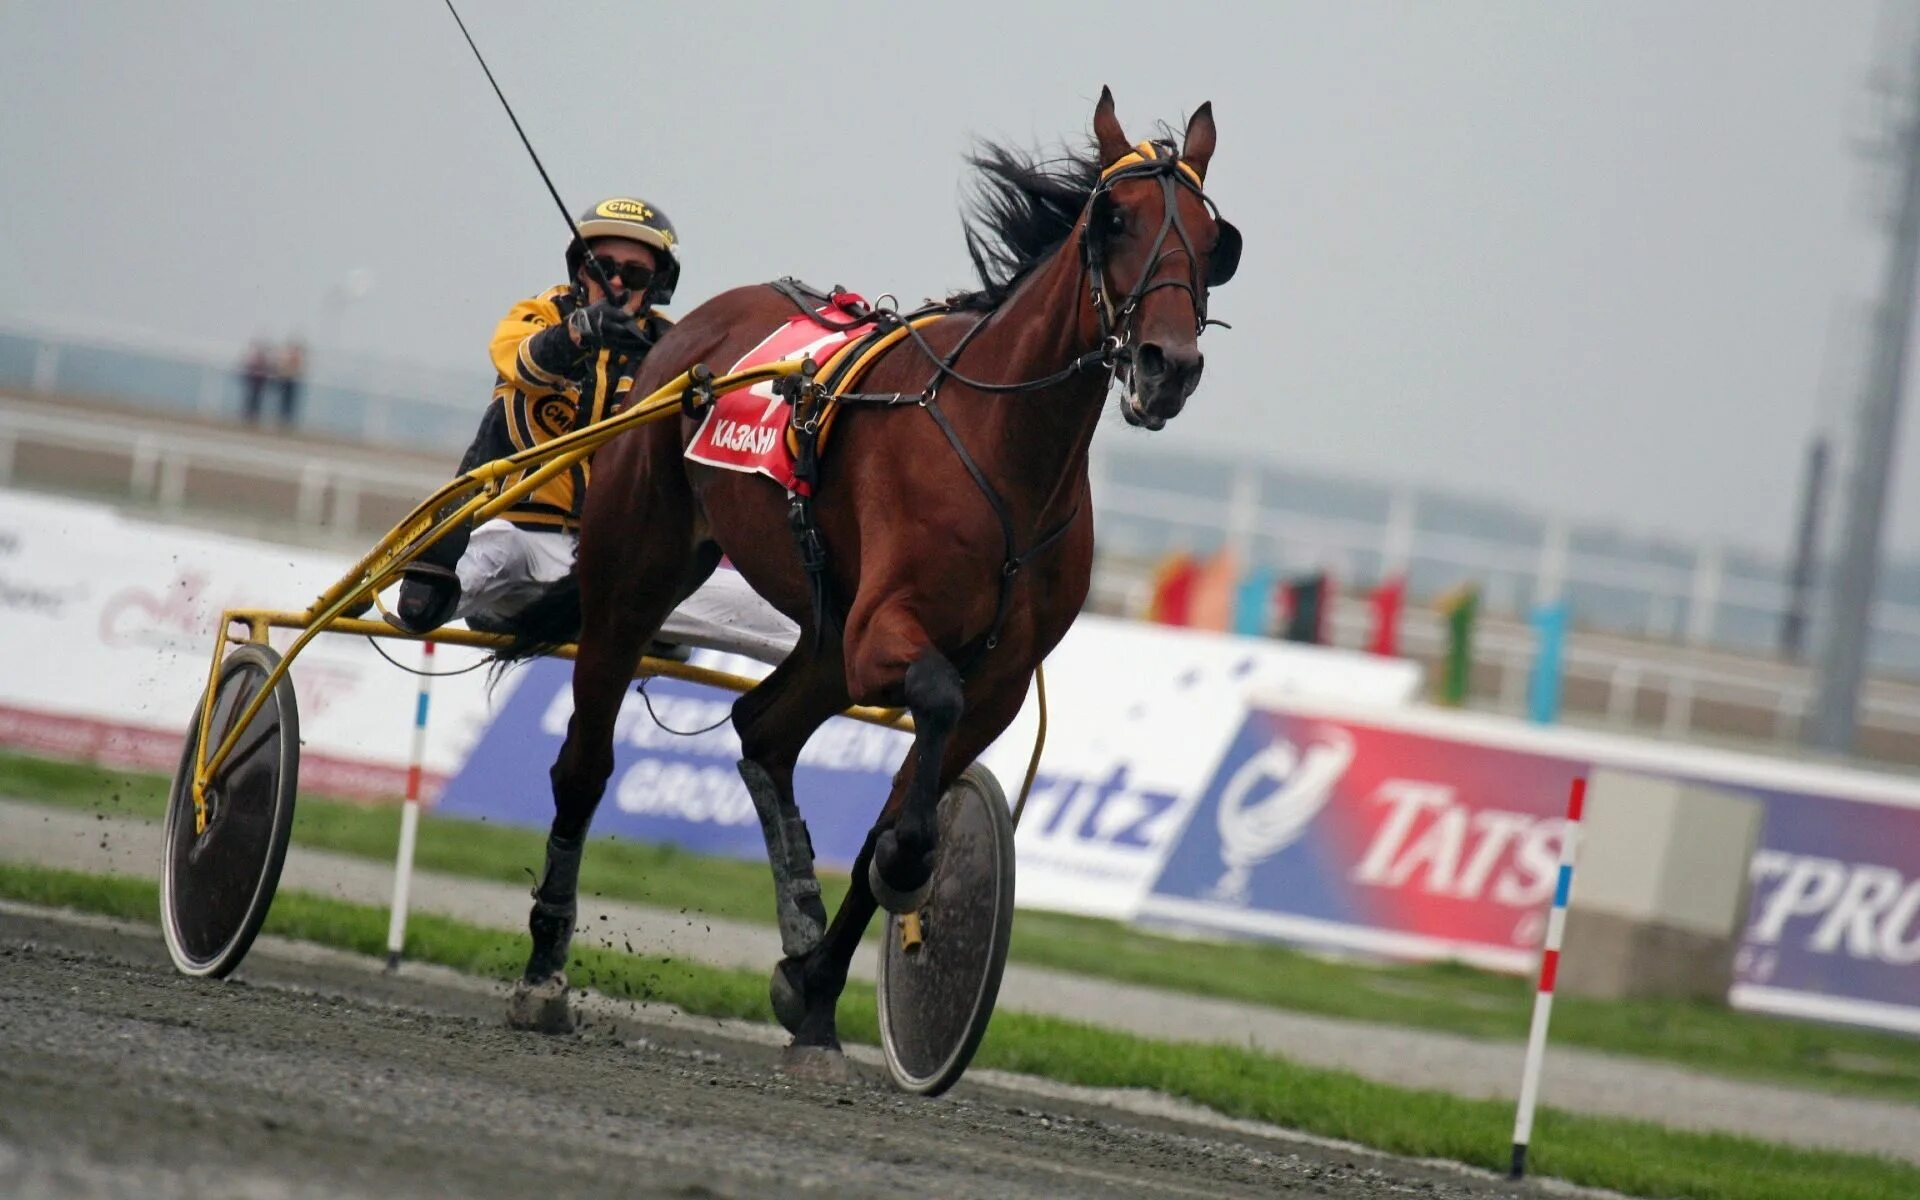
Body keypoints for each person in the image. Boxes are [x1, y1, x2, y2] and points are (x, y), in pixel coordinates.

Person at [239, 340, 272, 425]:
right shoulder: (255, 358)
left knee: (257, 402)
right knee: (249, 400)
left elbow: (268, 370)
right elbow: (248, 366)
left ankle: (254, 418)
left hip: (260, 384)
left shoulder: (265, 360)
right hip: (253, 383)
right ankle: (247, 416)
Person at [275, 339, 306, 428]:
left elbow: (299, 372)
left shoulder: (297, 360)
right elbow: (282, 370)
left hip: (292, 383)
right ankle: (281, 420)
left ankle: (287, 421)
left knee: (290, 403)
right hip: (286, 382)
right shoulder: (286, 358)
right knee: (283, 402)